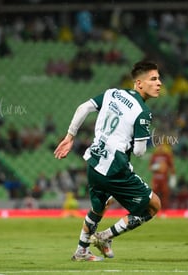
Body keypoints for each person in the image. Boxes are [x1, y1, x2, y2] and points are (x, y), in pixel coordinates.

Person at [54, 60, 162, 262]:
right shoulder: (143, 113)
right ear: (139, 83)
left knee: (98, 208)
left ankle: (81, 251)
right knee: (153, 205)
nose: (159, 83)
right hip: (115, 169)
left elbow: (83, 108)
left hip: (95, 161)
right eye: (153, 79)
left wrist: (69, 137)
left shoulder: (112, 93)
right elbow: (139, 152)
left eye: (159, 79)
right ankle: (105, 237)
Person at [149, 143, 176, 210]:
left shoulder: (167, 156)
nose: (160, 148)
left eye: (162, 146)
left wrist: (173, 177)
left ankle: (165, 211)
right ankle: (152, 210)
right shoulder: (155, 156)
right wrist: (156, 167)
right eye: (159, 146)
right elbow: (150, 167)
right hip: (156, 179)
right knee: (154, 195)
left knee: (165, 195)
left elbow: (172, 167)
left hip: (164, 179)